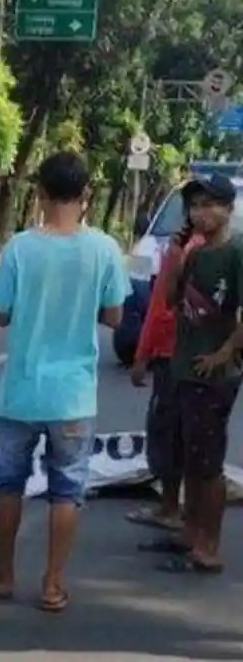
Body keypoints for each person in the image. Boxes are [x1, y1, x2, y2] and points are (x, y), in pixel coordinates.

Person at [0, 151, 128, 613]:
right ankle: (53, 585)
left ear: (38, 193)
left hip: (21, 393)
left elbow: (1, 315)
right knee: (66, 491)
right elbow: (116, 317)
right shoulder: (104, 249)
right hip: (74, 397)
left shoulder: (20, 247)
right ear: (86, 195)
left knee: (8, 486)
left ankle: (3, 575)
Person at [159, 173, 243, 574]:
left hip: (216, 374)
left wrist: (224, 352)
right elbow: (171, 300)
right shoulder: (195, 253)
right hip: (185, 367)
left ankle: (210, 546)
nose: (202, 213)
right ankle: (190, 535)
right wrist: (175, 257)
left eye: (211, 204)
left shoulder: (237, 251)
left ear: (228, 208)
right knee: (191, 457)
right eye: (195, 206)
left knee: (209, 464)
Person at [127, 211, 203, 542]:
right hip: (197, 360)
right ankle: (187, 514)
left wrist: (142, 355)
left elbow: (161, 309)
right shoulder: (213, 249)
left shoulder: (181, 252)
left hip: (172, 357)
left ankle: (171, 508)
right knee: (190, 433)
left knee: (165, 429)